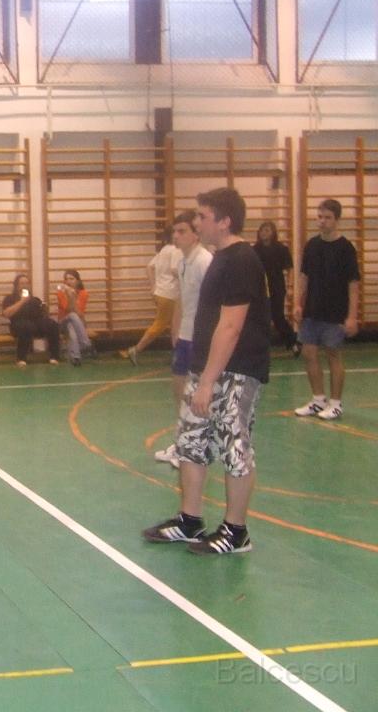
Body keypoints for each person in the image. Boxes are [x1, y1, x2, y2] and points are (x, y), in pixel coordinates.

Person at [143, 188, 271, 555]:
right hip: (207, 369)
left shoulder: (242, 260)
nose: (197, 222)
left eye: (203, 216)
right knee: (191, 442)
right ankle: (190, 520)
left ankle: (236, 532)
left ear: (225, 221)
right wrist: (200, 374)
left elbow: (230, 327)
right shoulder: (220, 258)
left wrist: (208, 381)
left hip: (237, 371)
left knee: (235, 447)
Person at [154, 211, 213, 468]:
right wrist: (176, 332)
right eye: (174, 232)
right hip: (185, 337)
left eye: (182, 231)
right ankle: (181, 442)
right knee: (179, 389)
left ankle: (193, 448)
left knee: (195, 396)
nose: (176, 236)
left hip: (201, 338)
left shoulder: (205, 261)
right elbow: (180, 300)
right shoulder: (182, 262)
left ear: (195, 233)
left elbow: (214, 304)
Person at [293, 198, 360, 421]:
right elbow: (304, 277)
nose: (322, 221)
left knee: (333, 354)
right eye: (320, 217)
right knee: (308, 353)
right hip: (312, 310)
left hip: (336, 312)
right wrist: (298, 303)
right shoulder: (312, 245)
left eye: (327, 218)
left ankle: (336, 403)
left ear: (337, 219)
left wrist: (351, 316)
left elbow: (353, 284)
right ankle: (318, 399)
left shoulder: (346, 248)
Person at [120, 228, 182, 365]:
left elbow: (149, 267)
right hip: (170, 293)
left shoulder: (164, 250)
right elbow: (174, 270)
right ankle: (136, 349)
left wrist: (153, 285)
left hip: (161, 292)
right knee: (161, 325)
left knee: (175, 325)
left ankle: (177, 353)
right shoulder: (176, 250)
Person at [252, 220, 298, 353]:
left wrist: (290, 286)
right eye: (262, 230)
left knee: (278, 317)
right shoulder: (255, 250)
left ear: (273, 233)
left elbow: (290, 268)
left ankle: (293, 342)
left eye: (267, 230)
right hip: (261, 288)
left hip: (277, 287)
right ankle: (260, 346)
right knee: (260, 318)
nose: (264, 233)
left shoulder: (281, 249)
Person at [2, 274, 61, 367]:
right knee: (26, 326)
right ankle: (21, 358)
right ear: (16, 286)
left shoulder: (34, 299)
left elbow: (42, 314)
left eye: (27, 283)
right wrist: (22, 301)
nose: (25, 285)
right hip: (18, 325)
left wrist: (46, 305)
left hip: (35, 324)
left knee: (52, 325)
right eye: (22, 283)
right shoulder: (9, 298)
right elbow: (6, 313)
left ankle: (54, 357)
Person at [55, 269, 95, 366]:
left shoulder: (83, 293)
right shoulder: (61, 293)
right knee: (72, 316)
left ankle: (75, 357)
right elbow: (68, 310)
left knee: (72, 327)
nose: (68, 281)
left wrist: (73, 297)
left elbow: (80, 314)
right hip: (62, 323)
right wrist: (71, 297)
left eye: (71, 279)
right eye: (66, 279)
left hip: (76, 323)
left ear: (77, 281)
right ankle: (86, 343)